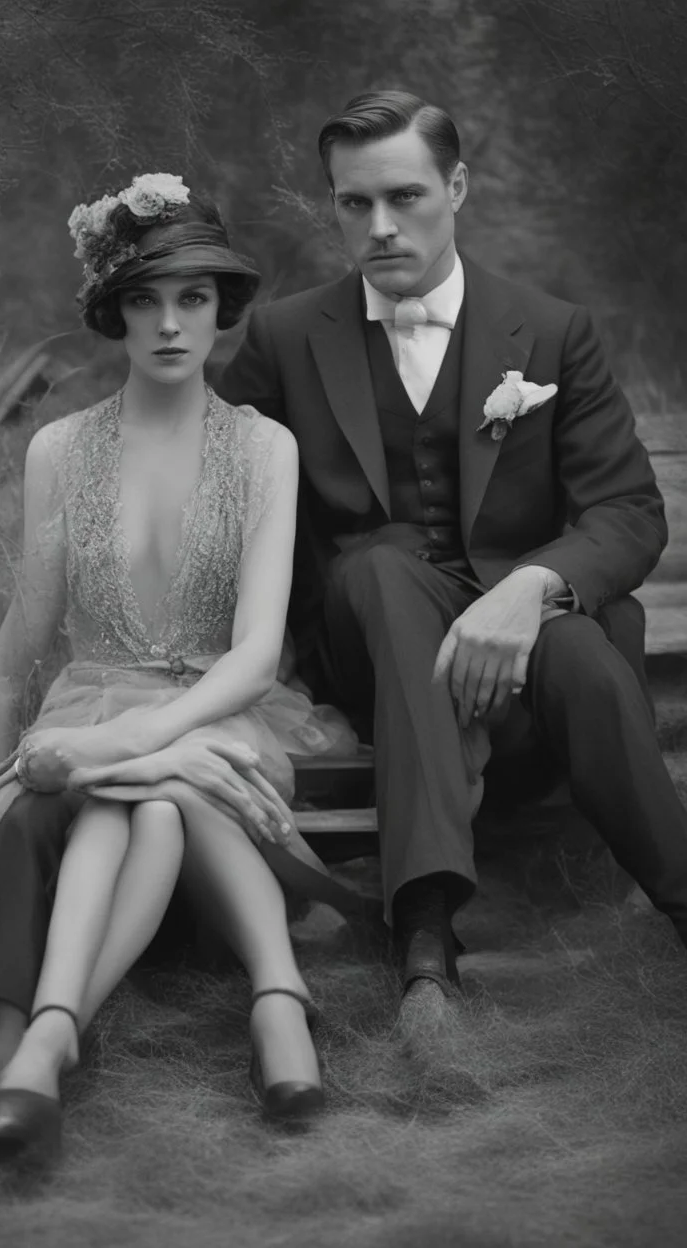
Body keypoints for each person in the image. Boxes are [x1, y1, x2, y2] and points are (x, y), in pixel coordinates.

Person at [214, 90, 687, 1027]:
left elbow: (627, 511)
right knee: (384, 566)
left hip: (521, 663)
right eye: (355, 204)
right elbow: (219, 498)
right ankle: (425, 930)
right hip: (371, 646)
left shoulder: (553, 333)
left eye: (406, 197)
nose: (381, 227)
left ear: (457, 186)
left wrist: (530, 589)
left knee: (588, 650)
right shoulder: (281, 338)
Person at [0, 173, 361, 1166]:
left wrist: (128, 740)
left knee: (171, 769)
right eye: (143, 299)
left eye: (192, 299)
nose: (169, 325)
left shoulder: (265, 449)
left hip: (224, 709)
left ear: (224, 311)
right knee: (158, 803)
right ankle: (274, 1010)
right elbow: (18, 646)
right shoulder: (58, 449)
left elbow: (256, 655)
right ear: (112, 311)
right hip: (94, 704)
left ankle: (48, 1043)